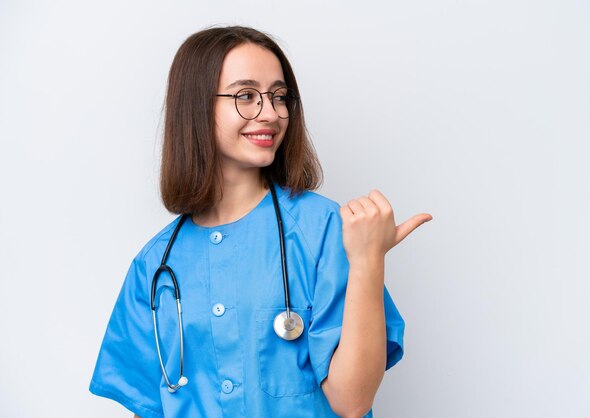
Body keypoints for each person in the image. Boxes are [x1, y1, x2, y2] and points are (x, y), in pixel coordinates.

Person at [89, 26, 432, 418]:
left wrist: (369, 260)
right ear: (196, 107)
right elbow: (148, 407)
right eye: (246, 96)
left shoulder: (322, 231)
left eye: (279, 96)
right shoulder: (154, 266)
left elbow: (352, 401)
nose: (271, 113)